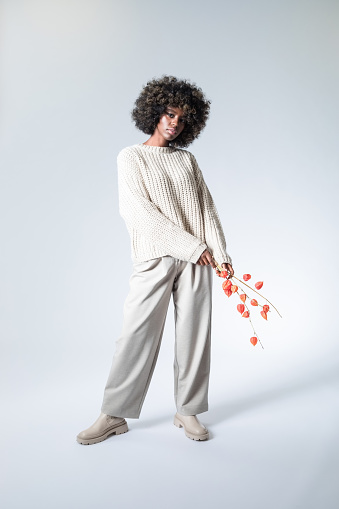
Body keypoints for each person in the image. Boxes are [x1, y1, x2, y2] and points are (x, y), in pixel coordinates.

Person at [76, 75, 233, 445]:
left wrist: (221, 253)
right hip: (157, 256)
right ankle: (113, 414)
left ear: (189, 122)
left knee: (195, 337)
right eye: (168, 113)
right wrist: (193, 246)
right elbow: (138, 212)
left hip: (199, 261)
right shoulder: (130, 157)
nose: (174, 122)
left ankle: (187, 410)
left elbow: (206, 208)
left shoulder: (187, 160)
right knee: (135, 334)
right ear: (154, 112)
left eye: (181, 117)